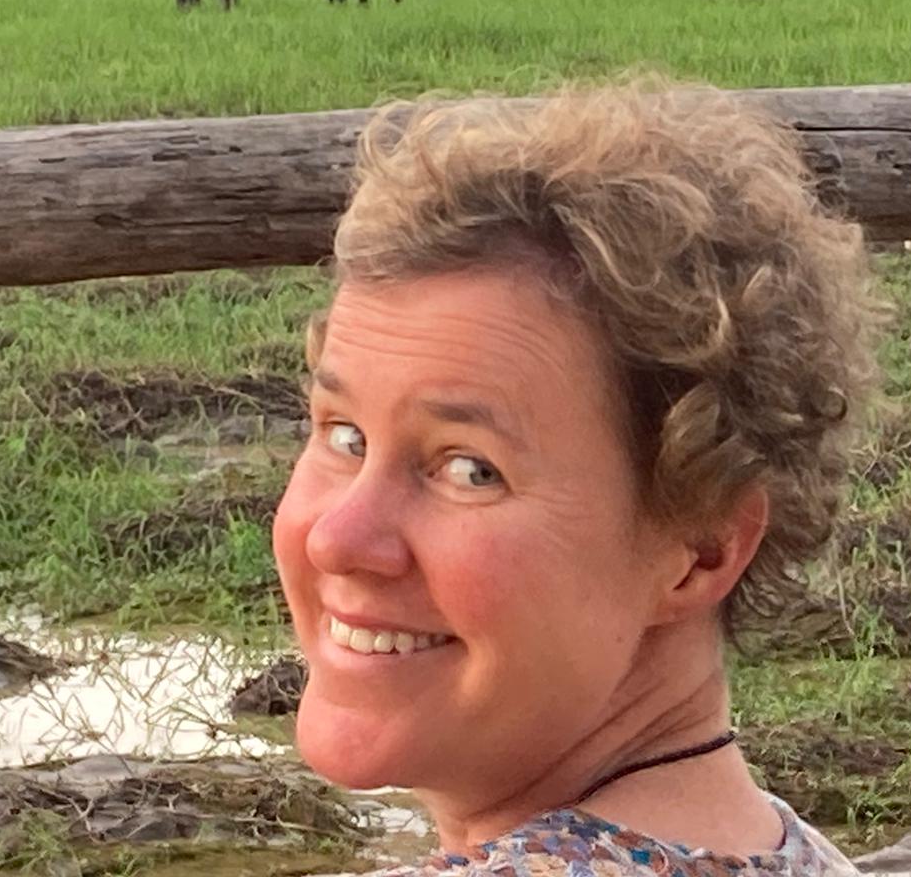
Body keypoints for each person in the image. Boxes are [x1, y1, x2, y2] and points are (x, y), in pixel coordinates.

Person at [273, 80, 878, 877]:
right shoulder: (783, 849)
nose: (338, 538)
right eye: (343, 436)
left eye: (469, 469)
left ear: (699, 548)